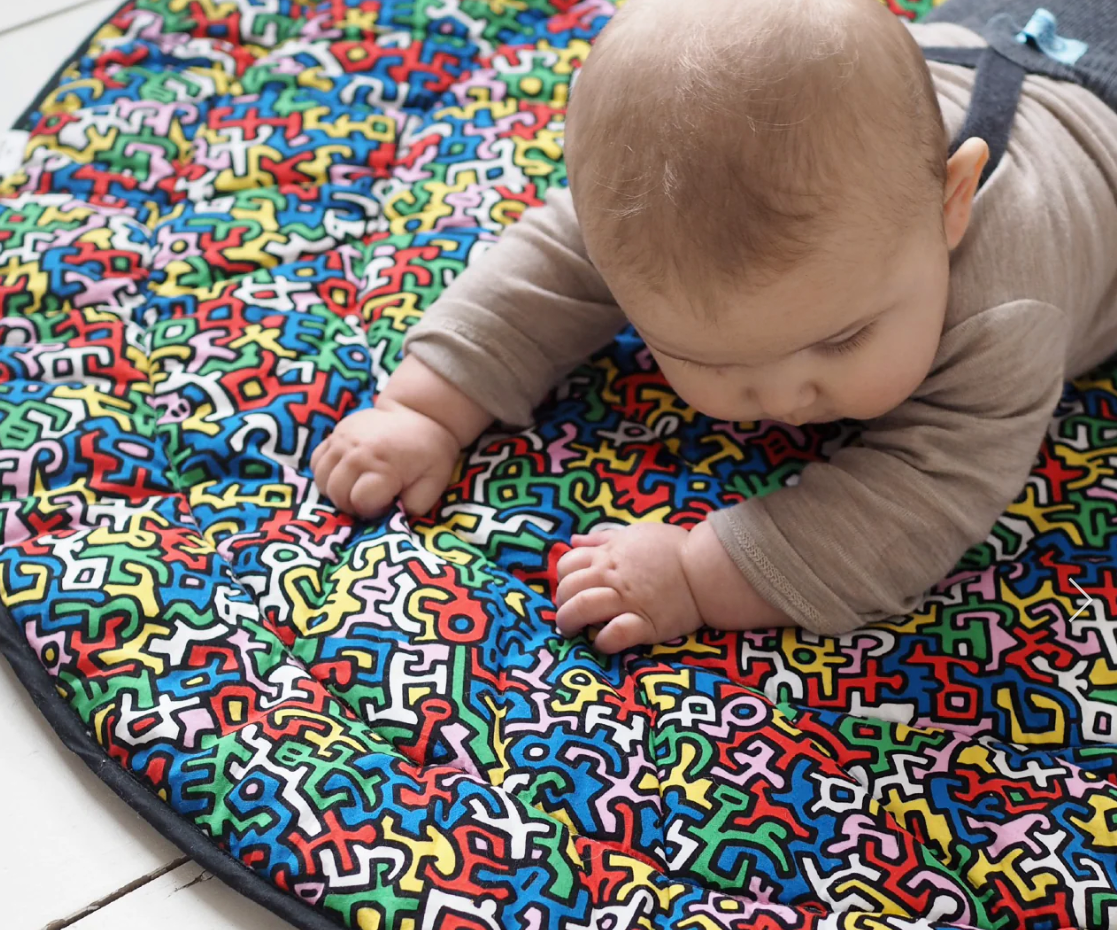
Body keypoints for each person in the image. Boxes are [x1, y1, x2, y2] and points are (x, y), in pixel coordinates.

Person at [310, 0, 1117, 651]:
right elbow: (547, 267)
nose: (785, 396)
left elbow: (925, 496)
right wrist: (425, 406)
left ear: (949, 202)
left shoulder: (1006, 309)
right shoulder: (653, 219)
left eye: (842, 340)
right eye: (704, 356)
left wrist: (703, 574)